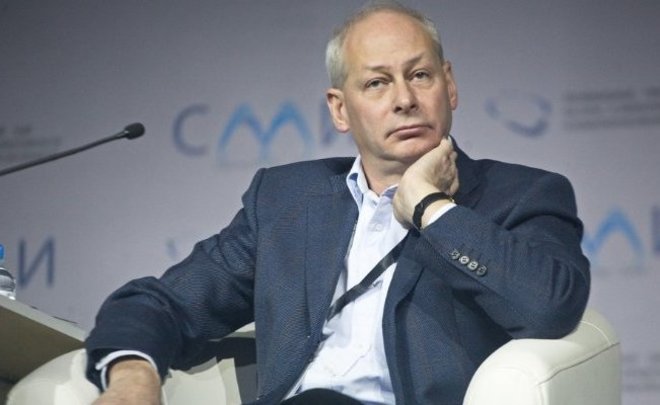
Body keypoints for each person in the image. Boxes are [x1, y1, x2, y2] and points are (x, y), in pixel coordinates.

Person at [85, 1, 590, 404]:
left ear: (449, 85)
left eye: (420, 75)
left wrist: (432, 209)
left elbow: (550, 307)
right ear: (340, 109)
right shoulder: (286, 201)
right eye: (377, 83)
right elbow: (164, 302)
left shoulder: (522, 194)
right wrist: (132, 379)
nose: (405, 99)